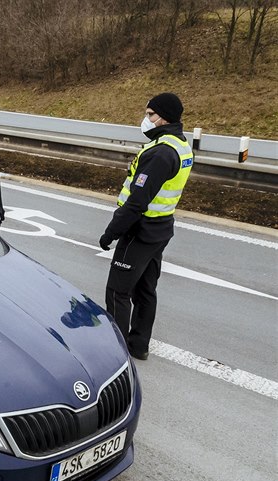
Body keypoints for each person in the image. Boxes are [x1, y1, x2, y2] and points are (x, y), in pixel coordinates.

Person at [98, 92, 193, 361]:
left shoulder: (160, 153)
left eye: (150, 114)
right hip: (161, 229)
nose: (146, 119)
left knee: (118, 291)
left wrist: (112, 232)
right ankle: (139, 346)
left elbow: (137, 201)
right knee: (145, 290)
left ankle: (116, 354)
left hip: (140, 231)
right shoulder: (180, 146)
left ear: (164, 117)